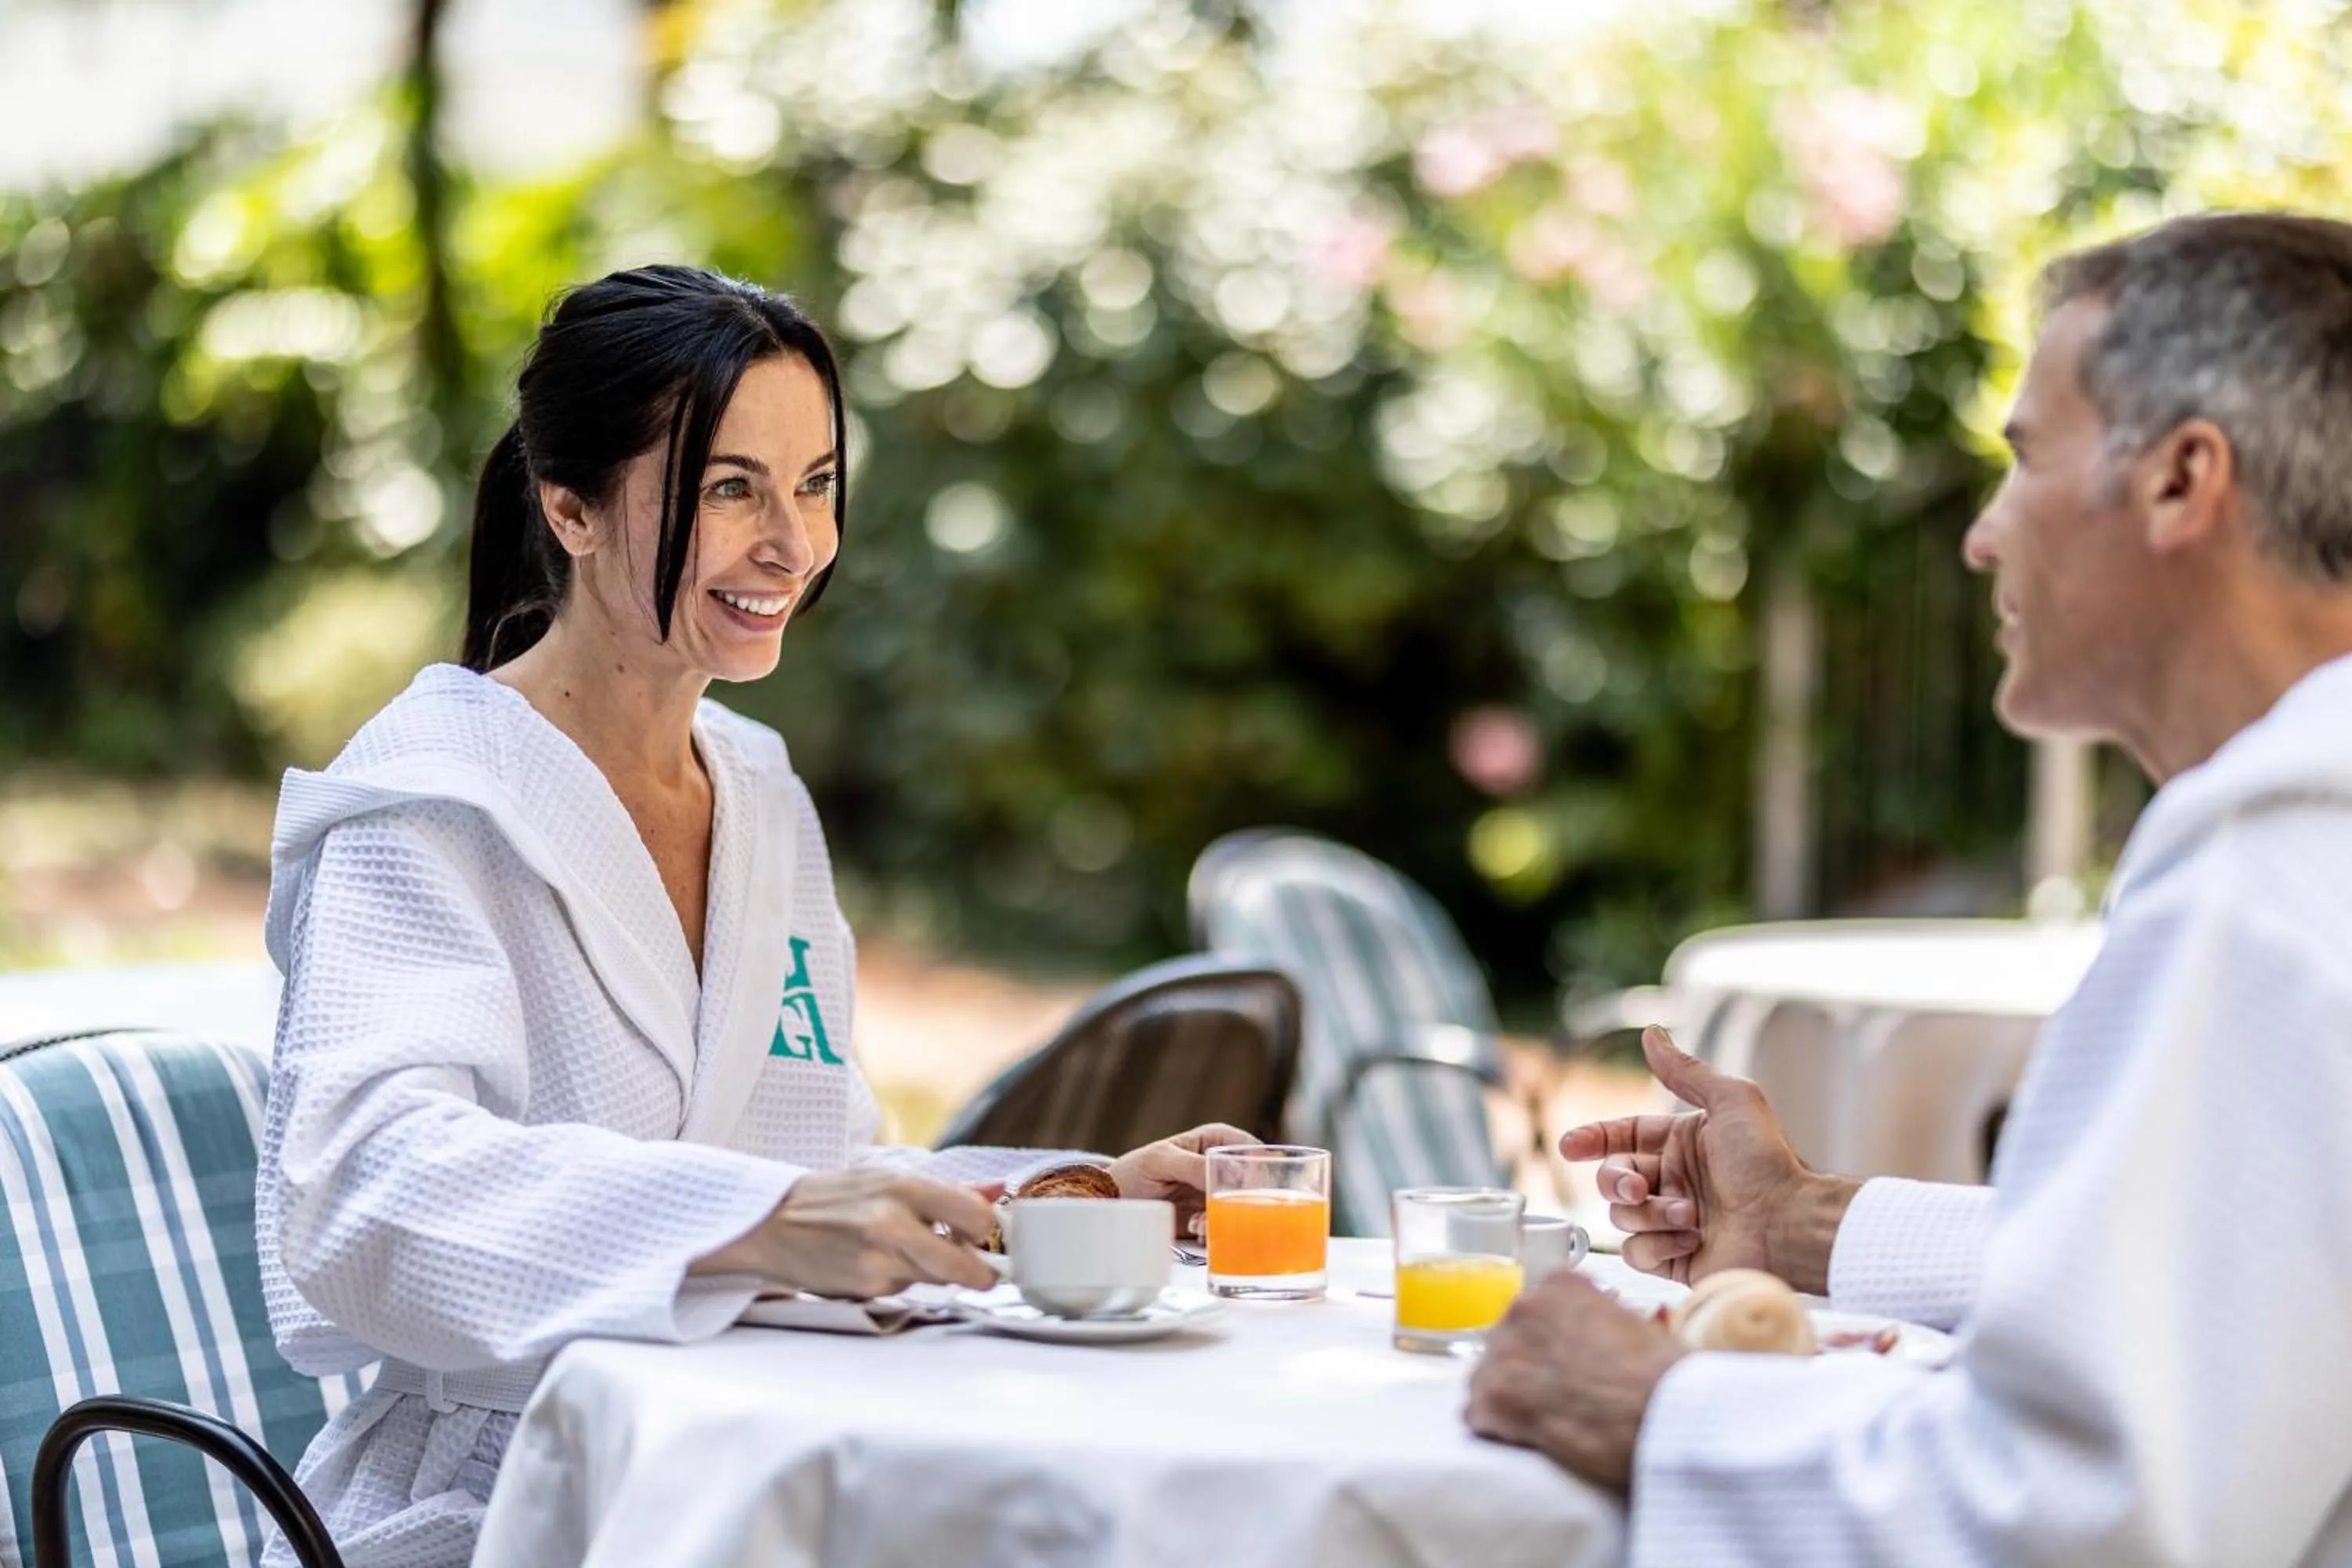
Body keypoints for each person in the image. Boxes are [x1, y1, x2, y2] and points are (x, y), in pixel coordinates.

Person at [256, 265, 1248, 1568]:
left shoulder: (761, 796)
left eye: (817, 483)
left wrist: (1061, 1199)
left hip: (757, 1459)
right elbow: (359, 1199)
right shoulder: (427, 805)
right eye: (732, 488)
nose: (793, 542)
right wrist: (745, 1225)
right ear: (572, 509)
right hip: (512, 1499)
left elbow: (823, 1186)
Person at [1466, 212, 2352, 1564]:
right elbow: (2247, 1292)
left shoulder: (2274, 858)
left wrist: (1657, 1415)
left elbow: (2080, 1525)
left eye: (2025, 461)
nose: (1985, 538)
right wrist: (1801, 1222)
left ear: (2183, 480)